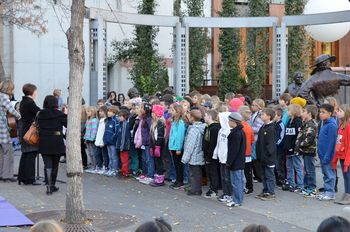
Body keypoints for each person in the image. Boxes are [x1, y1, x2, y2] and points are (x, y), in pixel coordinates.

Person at [37, 95, 67, 194]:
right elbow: (67, 125)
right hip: (56, 141)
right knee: (55, 165)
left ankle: (48, 186)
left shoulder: (40, 114)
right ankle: (52, 185)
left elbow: (37, 125)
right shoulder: (59, 114)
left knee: (47, 164)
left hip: (44, 140)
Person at [17, 83, 41, 185]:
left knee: (25, 154)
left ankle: (21, 177)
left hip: (24, 130)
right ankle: (30, 179)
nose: (36, 93)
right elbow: (39, 112)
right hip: (30, 132)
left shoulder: (23, 101)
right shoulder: (30, 102)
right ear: (32, 92)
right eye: (36, 91)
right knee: (31, 154)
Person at [0, 80, 21, 182]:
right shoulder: (4, 97)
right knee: (8, 152)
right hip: (2, 129)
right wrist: (19, 116)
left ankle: (1, 174)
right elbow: (12, 111)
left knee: (1, 152)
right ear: (9, 89)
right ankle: (7, 175)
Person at [181, 109, 206, 195]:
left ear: (192, 118)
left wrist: (185, 158)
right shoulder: (201, 127)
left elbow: (190, 145)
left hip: (194, 155)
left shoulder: (194, 130)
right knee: (197, 172)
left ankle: (195, 189)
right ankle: (196, 188)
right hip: (199, 154)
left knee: (194, 173)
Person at [295, 105, 318, 197]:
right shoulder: (305, 123)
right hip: (305, 150)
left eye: (304, 111)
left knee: (310, 170)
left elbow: (309, 139)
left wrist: (300, 145)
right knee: (306, 170)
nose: (302, 113)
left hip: (309, 151)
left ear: (309, 113)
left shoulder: (311, 124)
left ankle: (312, 188)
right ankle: (307, 186)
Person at [317, 103, 338, 201]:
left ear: (330, 113)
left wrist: (328, 156)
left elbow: (332, 142)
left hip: (328, 155)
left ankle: (330, 193)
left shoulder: (332, 125)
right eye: (320, 112)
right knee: (325, 173)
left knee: (330, 174)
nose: (320, 114)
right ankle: (327, 191)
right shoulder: (324, 123)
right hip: (322, 154)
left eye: (323, 112)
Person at [255, 108, 277, 201]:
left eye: (263, 114)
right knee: (263, 175)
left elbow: (270, 145)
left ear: (269, 116)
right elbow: (259, 142)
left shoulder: (271, 128)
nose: (261, 116)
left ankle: (271, 192)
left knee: (269, 175)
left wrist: (267, 155)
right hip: (262, 157)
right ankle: (265, 190)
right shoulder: (263, 127)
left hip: (268, 158)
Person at [226, 112, 246, 207]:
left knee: (236, 182)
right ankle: (238, 198)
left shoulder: (236, 134)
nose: (228, 122)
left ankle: (237, 200)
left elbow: (233, 150)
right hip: (239, 160)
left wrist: (229, 162)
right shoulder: (240, 132)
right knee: (239, 181)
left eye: (229, 120)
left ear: (233, 121)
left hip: (236, 161)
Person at [282, 104, 304, 192]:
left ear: (294, 111)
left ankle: (300, 185)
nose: (287, 112)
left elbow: (298, 136)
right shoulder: (289, 121)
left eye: (289, 110)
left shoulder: (298, 121)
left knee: (297, 167)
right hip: (287, 148)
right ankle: (291, 183)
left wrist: (295, 147)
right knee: (289, 167)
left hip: (294, 149)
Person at [332, 104, 350, 204]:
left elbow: (349, 145)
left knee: (348, 176)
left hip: (347, 157)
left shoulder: (348, 126)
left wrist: (347, 161)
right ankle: (347, 194)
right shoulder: (341, 125)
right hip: (342, 156)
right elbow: (339, 142)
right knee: (346, 176)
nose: (337, 112)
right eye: (337, 111)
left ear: (346, 113)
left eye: (340, 111)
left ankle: (348, 195)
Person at [213, 112, 232, 202]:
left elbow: (228, 146)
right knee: (223, 177)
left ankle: (229, 194)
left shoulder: (229, 131)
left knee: (227, 177)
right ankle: (225, 193)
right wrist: (215, 154)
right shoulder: (221, 130)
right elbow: (218, 143)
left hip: (226, 158)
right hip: (221, 158)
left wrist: (226, 157)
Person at [203, 109, 221, 198]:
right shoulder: (207, 127)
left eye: (205, 115)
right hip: (207, 154)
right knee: (209, 172)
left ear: (210, 117)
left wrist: (209, 157)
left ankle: (214, 189)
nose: (204, 117)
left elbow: (213, 144)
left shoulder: (215, 128)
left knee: (213, 172)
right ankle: (212, 187)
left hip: (212, 155)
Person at [168, 104, 186, 189]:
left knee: (178, 165)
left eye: (173, 110)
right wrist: (170, 146)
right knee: (175, 164)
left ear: (178, 112)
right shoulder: (173, 122)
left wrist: (178, 148)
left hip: (177, 147)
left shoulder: (181, 123)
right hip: (173, 146)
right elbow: (171, 135)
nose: (171, 112)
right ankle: (177, 180)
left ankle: (180, 181)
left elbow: (180, 136)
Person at [239, 106, 254, 194]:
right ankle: (249, 186)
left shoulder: (241, 127)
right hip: (248, 151)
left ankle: (247, 187)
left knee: (243, 171)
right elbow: (252, 140)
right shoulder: (248, 127)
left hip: (242, 152)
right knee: (248, 171)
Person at [150, 104, 166, 186]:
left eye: (153, 112)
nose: (151, 114)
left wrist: (157, 147)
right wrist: (151, 146)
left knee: (159, 162)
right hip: (155, 146)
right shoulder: (154, 123)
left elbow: (160, 136)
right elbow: (153, 136)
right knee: (157, 162)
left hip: (159, 147)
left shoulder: (161, 123)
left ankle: (160, 180)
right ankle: (157, 178)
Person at [139, 103, 154, 184]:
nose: (140, 109)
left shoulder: (148, 119)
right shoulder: (144, 118)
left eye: (142, 108)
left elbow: (151, 131)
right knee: (145, 159)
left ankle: (150, 175)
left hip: (148, 142)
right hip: (145, 142)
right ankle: (146, 174)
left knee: (149, 159)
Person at [250, 99, 265, 183]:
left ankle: (259, 176)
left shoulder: (260, 115)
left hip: (257, 139)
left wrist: (250, 129)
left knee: (256, 158)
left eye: (253, 105)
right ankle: (257, 175)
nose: (252, 107)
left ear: (258, 106)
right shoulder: (254, 114)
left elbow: (259, 127)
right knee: (254, 158)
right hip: (254, 139)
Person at [103, 105, 119, 177]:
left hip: (112, 142)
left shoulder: (115, 121)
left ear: (114, 112)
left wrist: (112, 139)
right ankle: (110, 168)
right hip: (107, 141)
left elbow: (116, 132)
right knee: (110, 156)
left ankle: (114, 169)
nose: (108, 113)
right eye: (108, 111)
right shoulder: (108, 120)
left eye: (110, 111)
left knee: (113, 156)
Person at [83, 106, 99, 172]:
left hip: (92, 139)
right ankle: (92, 165)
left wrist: (92, 138)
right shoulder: (88, 120)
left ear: (93, 112)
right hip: (87, 139)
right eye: (87, 111)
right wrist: (85, 138)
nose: (87, 112)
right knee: (89, 153)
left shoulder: (94, 120)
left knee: (93, 153)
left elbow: (94, 130)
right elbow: (87, 130)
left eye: (89, 111)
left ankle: (95, 166)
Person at [116, 109, 131, 177]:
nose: (119, 117)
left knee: (125, 159)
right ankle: (123, 170)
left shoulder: (125, 124)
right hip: (121, 145)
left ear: (125, 117)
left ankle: (126, 172)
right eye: (119, 116)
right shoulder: (120, 124)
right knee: (122, 159)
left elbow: (124, 136)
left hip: (124, 146)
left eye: (120, 116)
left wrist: (121, 146)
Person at [94, 106, 108, 174]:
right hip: (98, 140)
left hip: (103, 141)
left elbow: (104, 132)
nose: (100, 112)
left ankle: (105, 167)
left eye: (101, 111)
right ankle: (99, 166)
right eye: (99, 111)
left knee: (104, 155)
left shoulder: (106, 120)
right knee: (97, 154)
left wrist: (103, 141)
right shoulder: (100, 120)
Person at [273, 106, 285, 187]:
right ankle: (276, 179)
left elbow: (281, 137)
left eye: (275, 115)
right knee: (274, 165)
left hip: (278, 149)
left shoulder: (281, 125)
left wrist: (276, 144)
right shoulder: (274, 124)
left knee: (278, 165)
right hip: (273, 149)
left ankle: (281, 180)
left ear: (279, 116)